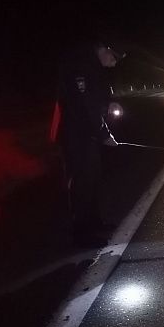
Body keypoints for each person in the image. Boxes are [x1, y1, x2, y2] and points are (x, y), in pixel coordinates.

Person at [55, 40, 125, 246]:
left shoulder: (94, 67)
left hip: (89, 136)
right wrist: (105, 135)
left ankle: (95, 223)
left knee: (93, 180)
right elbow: (87, 107)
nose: (113, 64)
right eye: (113, 58)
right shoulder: (81, 66)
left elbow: (100, 94)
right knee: (81, 184)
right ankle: (81, 234)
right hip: (76, 136)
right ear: (103, 49)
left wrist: (110, 100)